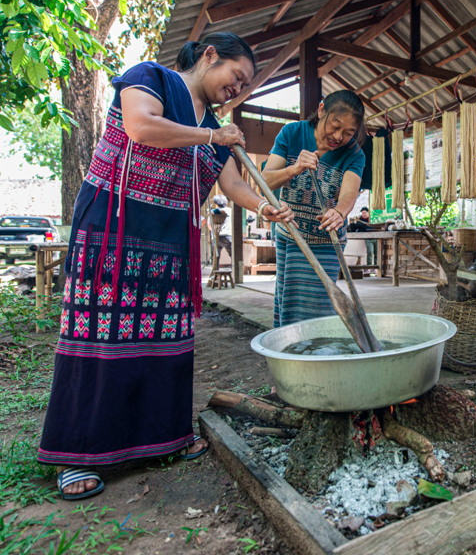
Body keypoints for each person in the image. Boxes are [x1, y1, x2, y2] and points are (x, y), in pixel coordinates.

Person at [37, 32, 295, 500]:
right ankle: (78, 453)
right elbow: (141, 126)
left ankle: (160, 440)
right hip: (114, 224)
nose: (238, 89)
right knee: (100, 334)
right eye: (237, 76)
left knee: (164, 337)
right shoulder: (149, 77)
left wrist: (263, 208)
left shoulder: (215, 126)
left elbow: (232, 184)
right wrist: (213, 135)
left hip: (170, 237)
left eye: (245, 86)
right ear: (210, 55)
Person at [261, 91, 367, 327]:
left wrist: (339, 212)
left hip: (325, 240)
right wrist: (294, 168)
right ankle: (290, 355)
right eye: (335, 125)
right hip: (290, 235)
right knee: (286, 301)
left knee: (314, 311)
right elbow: (265, 180)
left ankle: (312, 357)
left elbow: (350, 192)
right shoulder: (292, 133)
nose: (338, 137)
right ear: (321, 111)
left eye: (349, 132)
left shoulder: (354, 153)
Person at [211, 194, 233, 259]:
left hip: (217, 236)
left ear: (216, 203)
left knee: (215, 257)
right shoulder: (230, 211)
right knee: (233, 255)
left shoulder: (213, 212)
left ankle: (215, 268)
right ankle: (234, 268)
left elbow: (210, 225)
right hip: (228, 235)